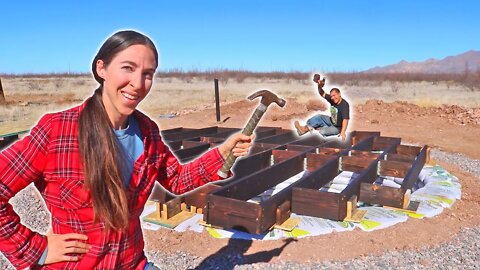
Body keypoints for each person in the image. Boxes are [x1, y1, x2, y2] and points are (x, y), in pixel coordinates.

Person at [0, 30, 253, 270]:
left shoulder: (147, 131)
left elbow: (176, 180)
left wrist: (222, 154)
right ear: (102, 69)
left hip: (132, 262)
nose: (138, 83)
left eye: (147, 73)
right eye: (128, 68)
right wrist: (38, 249)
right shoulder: (57, 131)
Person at [294, 74, 350, 141]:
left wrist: (343, 132)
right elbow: (322, 93)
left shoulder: (344, 105)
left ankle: (318, 127)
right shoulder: (332, 99)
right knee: (318, 117)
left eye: (334, 95)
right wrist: (319, 85)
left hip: (338, 127)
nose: (333, 98)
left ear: (339, 94)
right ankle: (303, 130)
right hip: (331, 121)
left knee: (322, 131)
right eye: (331, 96)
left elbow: (345, 120)